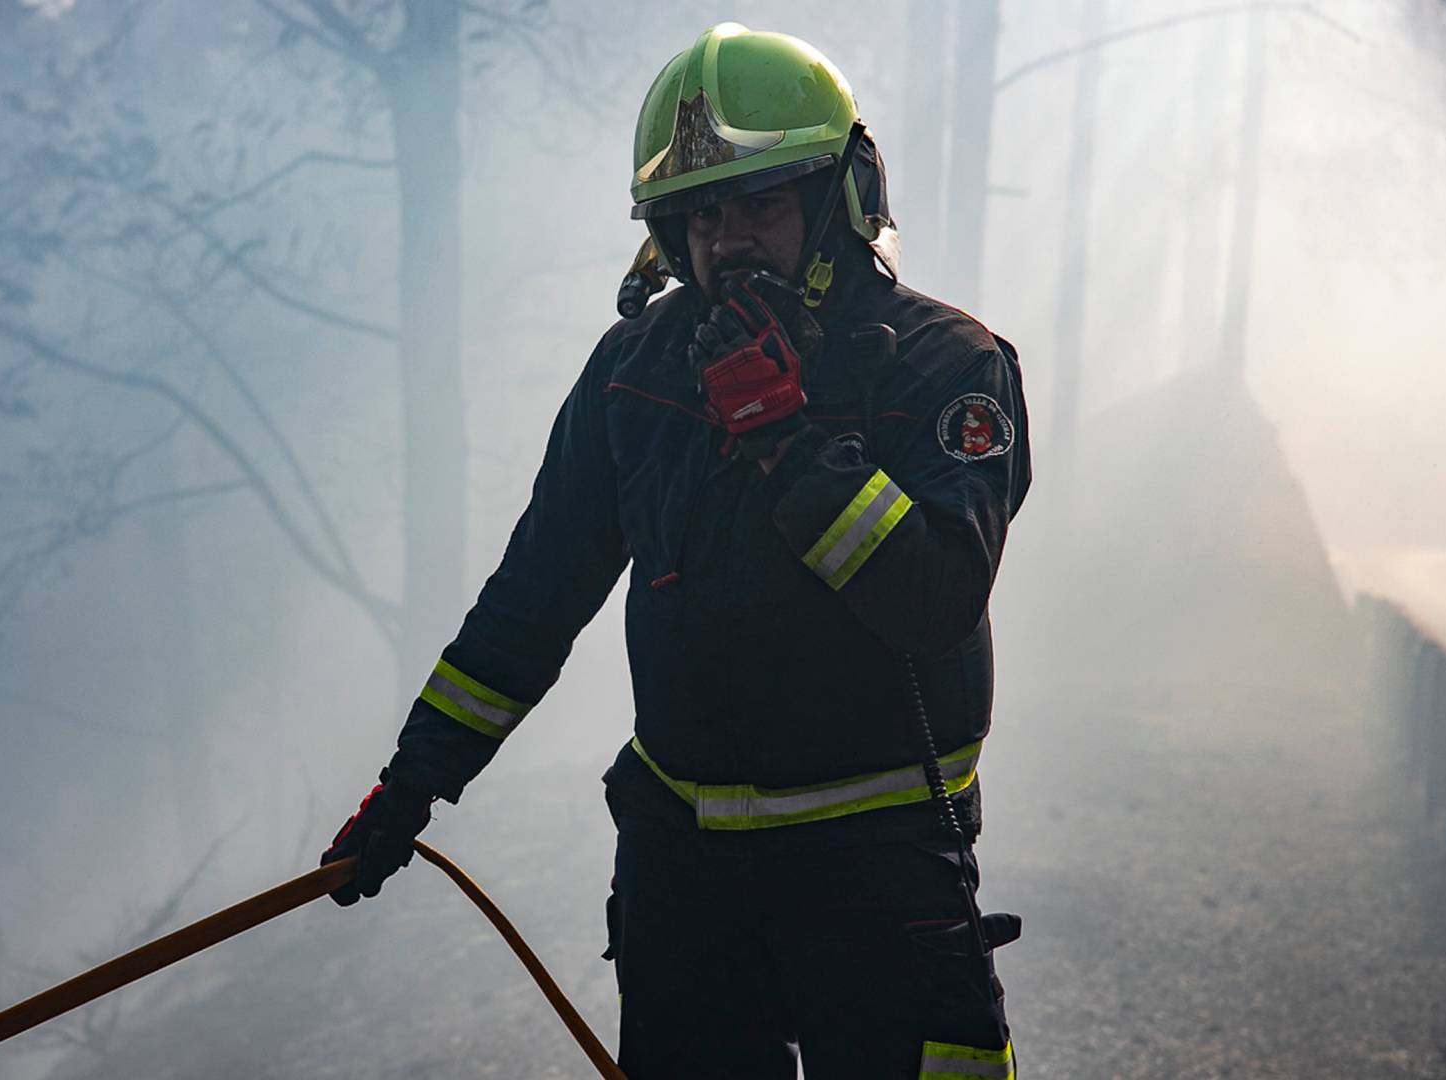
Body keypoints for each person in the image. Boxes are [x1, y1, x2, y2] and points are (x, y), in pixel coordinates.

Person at [324, 23, 1029, 1079]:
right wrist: (411, 784)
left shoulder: (945, 368)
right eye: (701, 214)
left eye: (760, 203)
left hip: (879, 865)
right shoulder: (635, 375)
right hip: (686, 871)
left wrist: (788, 443)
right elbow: (530, 602)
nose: (727, 239)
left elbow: (934, 601)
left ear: (839, 200)